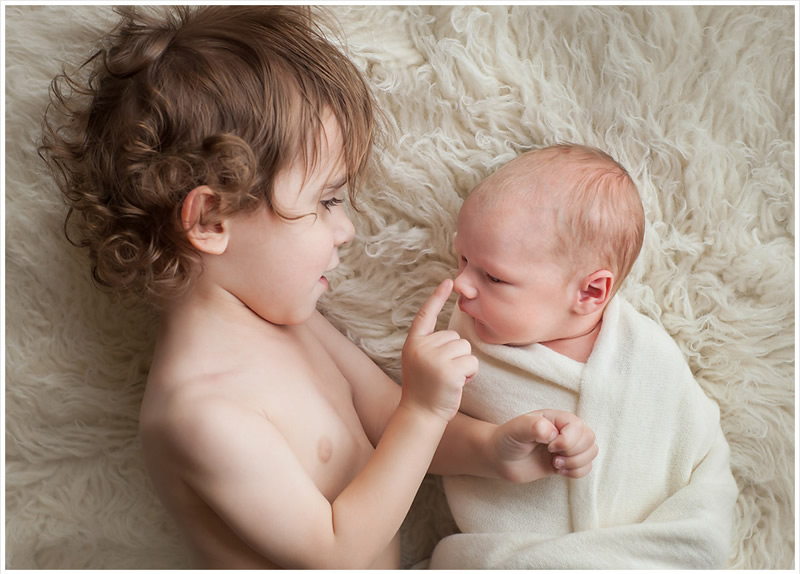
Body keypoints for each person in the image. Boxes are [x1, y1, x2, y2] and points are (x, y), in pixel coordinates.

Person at [39, 7, 599, 569]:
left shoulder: (293, 322)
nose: (346, 229)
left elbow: (387, 416)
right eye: (326, 202)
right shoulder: (200, 413)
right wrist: (424, 413)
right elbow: (334, 551)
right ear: (211, 221)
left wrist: (494, 450)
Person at [430, 143, 739, 569]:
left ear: (590, 293)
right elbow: (422, 441)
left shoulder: (647, 355)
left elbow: (703, 453)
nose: (461, 283)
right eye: (461, 258)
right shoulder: (461, 351)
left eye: (493, 276)